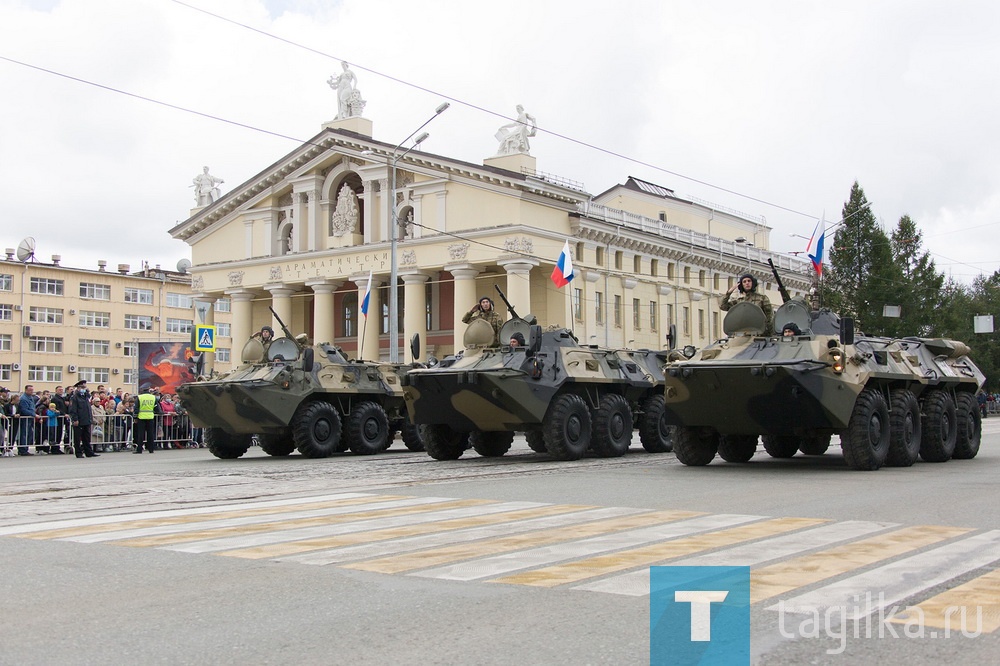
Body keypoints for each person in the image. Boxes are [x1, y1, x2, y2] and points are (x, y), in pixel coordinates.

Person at [67, 380, 99, 458]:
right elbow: (73, 409)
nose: (84, 389)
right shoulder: (74, 397)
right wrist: (75, 419)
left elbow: (87, 408)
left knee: (87, 437)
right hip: (79, 420)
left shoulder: (85, 396)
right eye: (82, 387)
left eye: (85, 387)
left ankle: (89, 452)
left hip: (86, 419)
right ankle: (78, 453)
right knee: (78, 438)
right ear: (78, 388)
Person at [133, 388, 161, 454]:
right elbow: (156, 407)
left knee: (141, 434)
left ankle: (139, 449)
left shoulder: (139, 397)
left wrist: (135, 417)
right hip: (150, 417)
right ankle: (151, 449)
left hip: (141, 417)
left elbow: (136, 408)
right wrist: (159, 412)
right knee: (150, 434)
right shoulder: (153, 397)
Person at [17, 384, 37, 456]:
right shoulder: (23, 398)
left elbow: (32, 407)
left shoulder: (30, 397)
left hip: (30, 418)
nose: (31, 391)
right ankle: (22, 450)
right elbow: (24, 409)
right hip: (25, 418)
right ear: (26, 390)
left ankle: (26, 448)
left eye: (32, 390)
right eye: (30, 390)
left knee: (29, 434)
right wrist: (34, 415)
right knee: (24, 434)